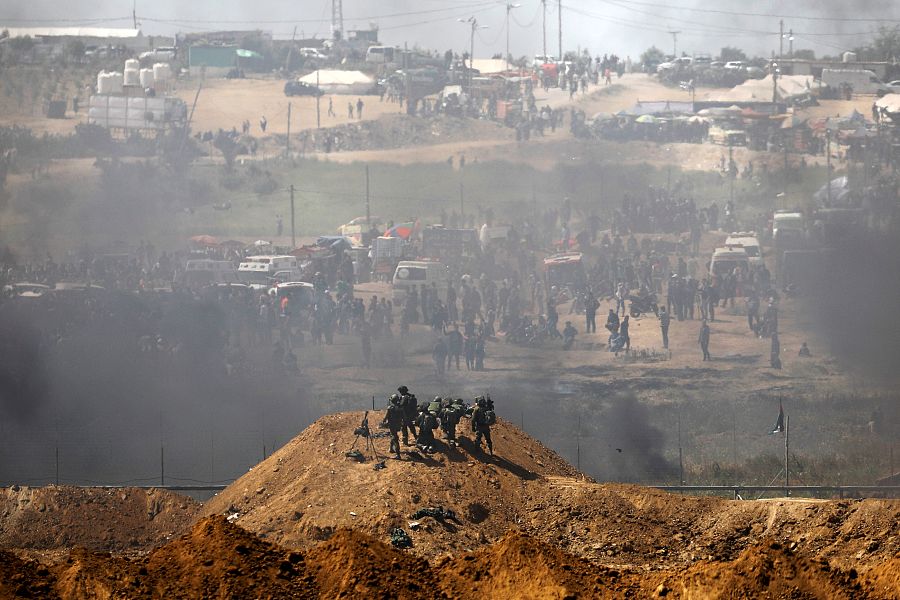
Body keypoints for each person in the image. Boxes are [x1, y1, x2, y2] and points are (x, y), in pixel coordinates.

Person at [383, 394, 404, 459]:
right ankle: (391, 448)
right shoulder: (401, 408)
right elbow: (404, 417)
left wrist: (384, 422)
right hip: (398, 425)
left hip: (392, 425)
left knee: (395, 438)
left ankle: (398, 455)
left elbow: (385, 418)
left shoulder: (390, 408)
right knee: (393, 435)